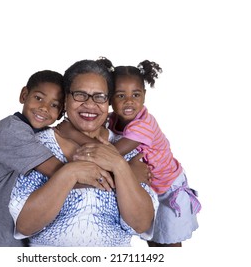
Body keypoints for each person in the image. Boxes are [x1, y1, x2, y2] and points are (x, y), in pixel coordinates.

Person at [9, 59, 159, 246]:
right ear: (65, 99)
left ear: (108, 102)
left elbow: (141, 224)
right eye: (80, 95)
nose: (90, 104)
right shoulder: (39, 145)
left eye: (99, 97)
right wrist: (70, 172)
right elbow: (25, 225)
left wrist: (120, 166)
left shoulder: (128, 149)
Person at [57, 58, 201, 247]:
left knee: (167, 242)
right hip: (149, 186)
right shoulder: (112, 118)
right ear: (110, 98)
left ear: (144, 95)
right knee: (152, 234)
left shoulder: (144, 125)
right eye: (120, 96)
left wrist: (72, 133)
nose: (129, 102)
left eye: (136, 95)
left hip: (168, 187)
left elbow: (111, 155)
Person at [0, 70, 70, 247]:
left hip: (12, 242)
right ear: (24, 95)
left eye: (54, 105)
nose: (44, 108)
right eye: (39, 98)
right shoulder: (12, 131)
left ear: (61, 112)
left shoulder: (43, 137)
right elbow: (62, 173)